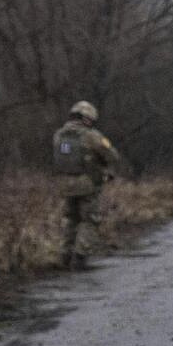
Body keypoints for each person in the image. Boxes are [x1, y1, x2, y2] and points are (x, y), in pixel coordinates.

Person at [50, 101, 127, 270]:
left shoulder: (58, 135)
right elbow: (112, 155)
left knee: (70, 219)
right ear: (87, 118)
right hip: (87, 185)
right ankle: (80, 257)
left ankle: (65, 255)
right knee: (89, 220)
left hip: (64, 184)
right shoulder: (91, 136)